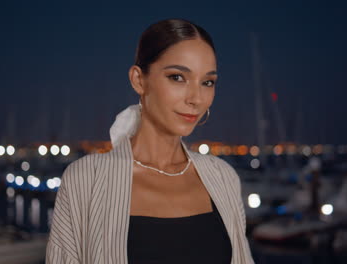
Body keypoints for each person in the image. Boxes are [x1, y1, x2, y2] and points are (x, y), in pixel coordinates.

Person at [46, 18, 255, 264]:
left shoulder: (223, 178)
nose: (196, 98)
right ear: (139, 80)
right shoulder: (86, 179)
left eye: (207, 82)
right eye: (177, 77)